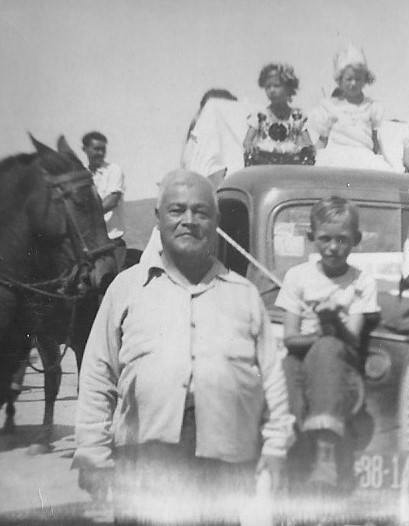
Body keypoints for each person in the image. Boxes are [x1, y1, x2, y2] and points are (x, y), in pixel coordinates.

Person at [73, 170, 294, 524]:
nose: (189, 221)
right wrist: (92, 453)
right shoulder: (126, 289)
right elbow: (98, 376)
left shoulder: (245, 295)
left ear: (216, 221)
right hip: (144, 462)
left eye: (201, 211)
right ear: (158, 219)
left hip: (225, 465)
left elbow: (273, 379)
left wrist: (277, 445)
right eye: (177, 210)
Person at [275, 196, 379, 492]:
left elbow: (353, 340)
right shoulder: (297, 276)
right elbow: (290, 338)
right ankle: (293, 452)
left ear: (356, 240)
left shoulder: (361, 282)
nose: (333, 247)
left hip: (341, 363)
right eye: (325, 239)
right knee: (285, 369)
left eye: (342, 240)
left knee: (329, 348)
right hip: (300, 355)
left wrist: (334, 321)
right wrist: (321, 332)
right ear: (311, 239)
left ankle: (325, 453)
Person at [308, 44, 392, 170]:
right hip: (336, 156)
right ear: (340, 81)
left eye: (358, 79)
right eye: (349, 79)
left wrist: (383, 160)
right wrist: (312, 157)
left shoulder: (371, 107)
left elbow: (375, 141)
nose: (353, 83)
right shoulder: (331, 107)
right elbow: (323, 140)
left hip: (364, 156)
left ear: (365, 80)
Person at [243, 63, 314, 166]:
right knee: (250, 157)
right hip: (265, 160)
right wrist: (250, 146)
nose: (271, 90)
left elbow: (308, 142)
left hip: (291, 160)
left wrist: (307, 149)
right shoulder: (260, 115)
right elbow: (247, 141)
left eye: (276, 86)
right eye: (268, 87)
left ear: (288, 88)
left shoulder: (296, 116)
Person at [83, 131, 126, 241]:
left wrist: (84, 218)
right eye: (97, 149)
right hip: (89, 241)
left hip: (111, 240)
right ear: (85, 149)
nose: (101, 153)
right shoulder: (82, 174)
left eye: (103, 149)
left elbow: (112, 200)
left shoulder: (114, 170)